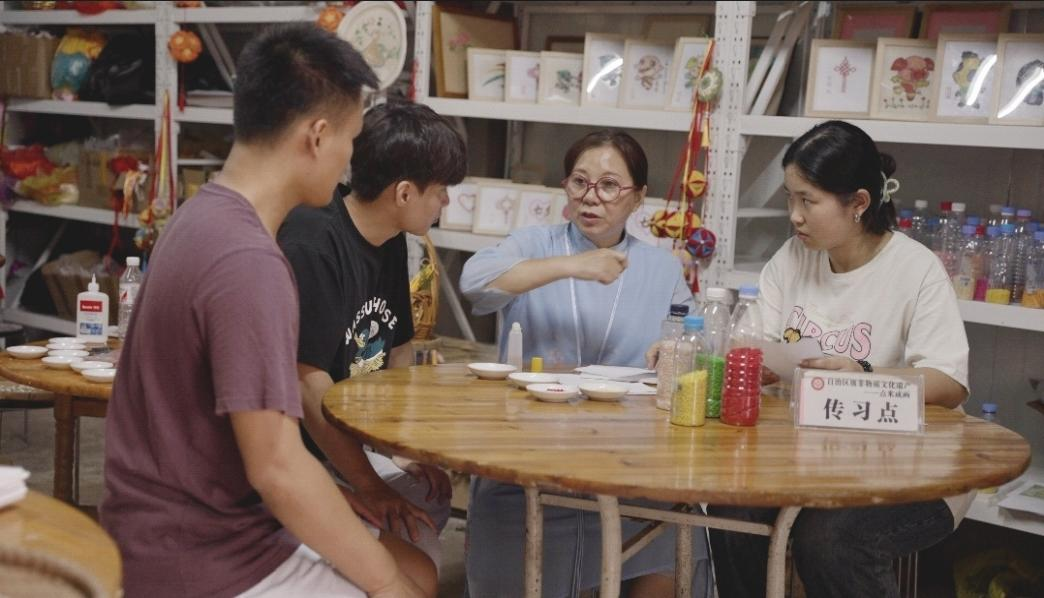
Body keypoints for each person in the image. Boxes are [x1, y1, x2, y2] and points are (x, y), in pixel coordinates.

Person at [101, 24, 434, 598]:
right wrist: (384, 585)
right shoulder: (249, 261)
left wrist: (339, 499)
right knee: (403, 583)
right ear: (317, 136)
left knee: (420, 570)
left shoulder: (200, 214)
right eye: (352, 140)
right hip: (197, 549)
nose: (350, 160)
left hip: (174, 514)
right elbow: (277, 467)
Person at [708, 120, 970, 598]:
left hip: (912, 469)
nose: (794, 216)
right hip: (810, 459)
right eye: (790, 198)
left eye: (808, 201)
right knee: (730, 511)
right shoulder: (792, 258)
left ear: (859, 203)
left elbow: (949, 385)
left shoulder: (915, 269)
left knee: (829, 542)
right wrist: (756, 365)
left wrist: (863, 373)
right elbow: (760, 342)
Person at [459, 130, 711, 598]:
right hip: (530, 461)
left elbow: (693, 344)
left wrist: (673, 349)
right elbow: (475, 281)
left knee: (677, 536)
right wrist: (573, 265)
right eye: (580, 182)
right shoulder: (534, 243)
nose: (591, 197)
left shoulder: (661, 269)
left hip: (629, 465)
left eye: (609, 185)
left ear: (638, 197)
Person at [277, 101, 466, 569]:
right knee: (418, 558)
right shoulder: (313, 241)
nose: (444, 203)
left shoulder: (392, 239)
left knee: (429, 499)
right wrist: (371, 485)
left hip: (348, 440)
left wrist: (398, 452)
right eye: (440, 191)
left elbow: (397, 355)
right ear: (404, 193)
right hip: (296, 453)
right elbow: (305, 383)